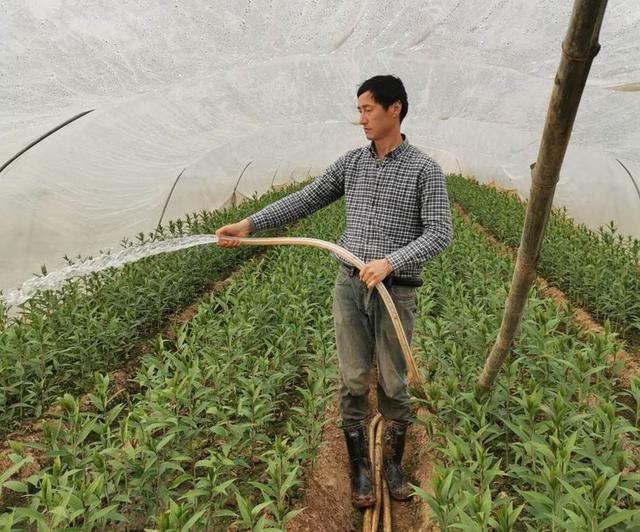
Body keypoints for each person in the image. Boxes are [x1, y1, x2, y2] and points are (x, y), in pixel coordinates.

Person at [215, 75, 453, 508]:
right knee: (352, 380)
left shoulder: (424, 170)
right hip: (350, 287)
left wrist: (391, 262)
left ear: (394, 109)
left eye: (367, 109)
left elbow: (440, 233)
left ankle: (394, 467)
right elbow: (306, 198)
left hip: (396, 291)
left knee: (396, 384)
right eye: (359, 109)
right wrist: (250, 224)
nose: (360, 118)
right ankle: (361, 470)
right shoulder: (352, 164)